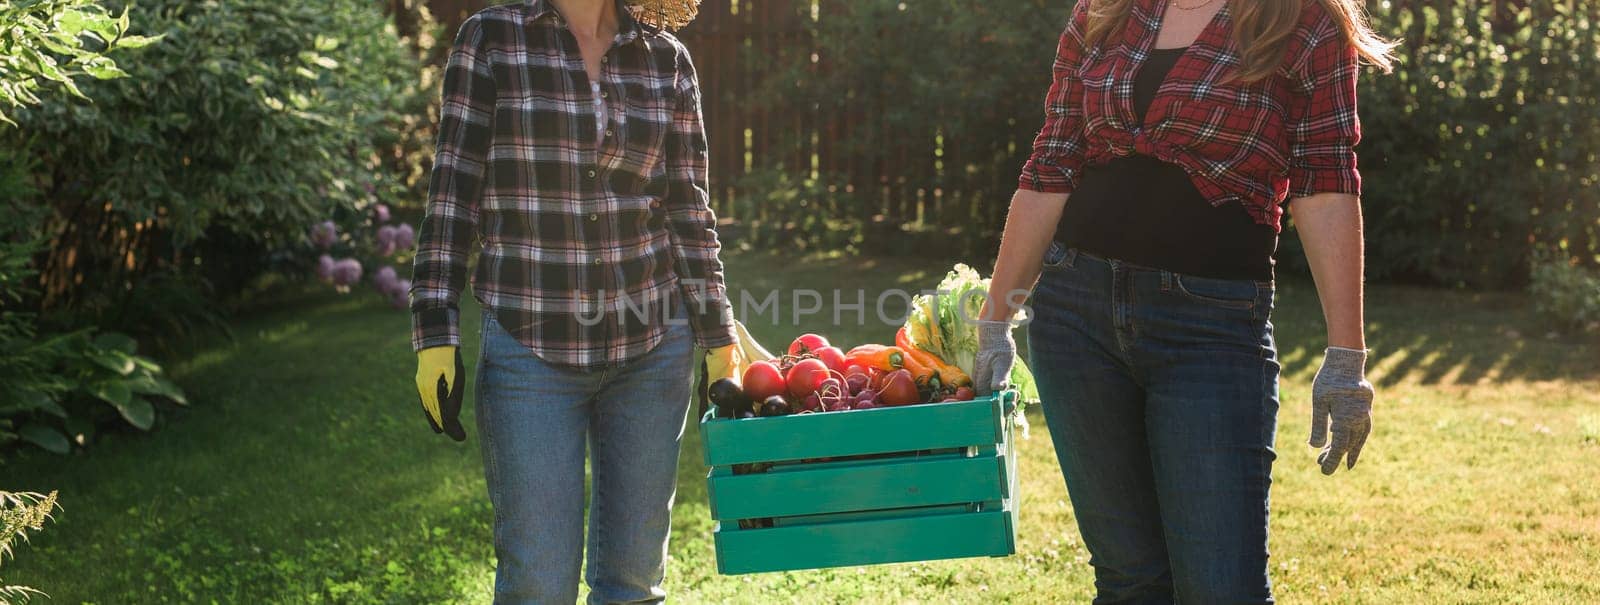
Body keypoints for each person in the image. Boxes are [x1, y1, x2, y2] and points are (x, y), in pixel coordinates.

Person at [971, 0, 1395, 602]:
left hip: (1211, 330)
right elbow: (1051, 165)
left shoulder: (1302, 22)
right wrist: (996, 322)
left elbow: (1325, 181)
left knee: (1223, 588)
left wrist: (1346, 359)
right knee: (1129, 580)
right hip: (1074, 320)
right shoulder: (1106, 12)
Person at [406, 1, 740, 602]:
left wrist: (719, 338)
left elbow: (689, 211)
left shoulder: (666, 59)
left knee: (633, 583)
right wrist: (435, 328)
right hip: (530, 352)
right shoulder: (491, 40)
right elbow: (453, 188)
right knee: (537, 584)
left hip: (650, 348)